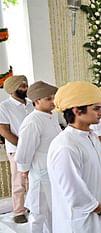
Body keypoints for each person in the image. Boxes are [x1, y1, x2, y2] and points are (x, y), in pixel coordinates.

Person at [47, 81, 101, 233]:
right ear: (77, 111)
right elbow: (74, 192)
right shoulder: (65, 145)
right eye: (96, 108)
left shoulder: (92, 136)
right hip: (82, 220)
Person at [14, 81, 60, 232]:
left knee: (54, 210)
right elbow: (24, 151)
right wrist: (24, 172)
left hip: (54, 170)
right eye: (48, 98)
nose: (53, 101)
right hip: (41, 173)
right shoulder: (33, 121)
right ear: (36, 101)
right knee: (38, 212)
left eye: (54, 97)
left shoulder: (51, 117)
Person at [0, 75, 34, 223]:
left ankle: (33, 206)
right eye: (22, 86)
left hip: (35, 148)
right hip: (16, 149)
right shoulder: (4, 106)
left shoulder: (31, 104)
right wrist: (23, 146)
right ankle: (19, 211)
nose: (25, 88)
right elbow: (4, 130)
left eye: (26, 85)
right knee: (19, 181)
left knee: (34, 180)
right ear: (12, 89)